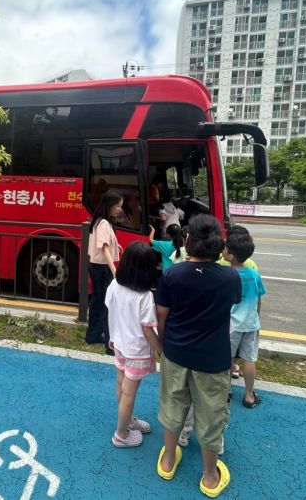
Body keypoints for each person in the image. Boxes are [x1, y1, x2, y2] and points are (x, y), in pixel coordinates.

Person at [155, 214, 241, 498]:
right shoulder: (230, 277)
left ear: (188, 240)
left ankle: (168, 461)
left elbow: (162, 316)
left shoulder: (172, 274)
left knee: (173, 405)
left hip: (176, 353)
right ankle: (209, 477)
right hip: (213, 359)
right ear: (219, 244)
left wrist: (166, 344)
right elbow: (231, 306)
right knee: (210, 415)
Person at [105, 241, 162, 447]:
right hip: (136, 350)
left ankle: (127, 421)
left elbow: (108, 306)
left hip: (119, 343)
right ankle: (121, 434)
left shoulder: (114, 285)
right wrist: (160, 350)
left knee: (121, 384)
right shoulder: (145, 296)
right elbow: (148, 329)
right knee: (129, 392)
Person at [223, 229, 266, 409]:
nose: (222, 250)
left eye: (225, 248)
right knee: (249, 359)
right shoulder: (254, 275)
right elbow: (258, 301)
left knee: (226, 359)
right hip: (251, 323)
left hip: (232, 325)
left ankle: (226, 392)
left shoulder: (226, 276)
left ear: (231, 256)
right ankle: (249, 396)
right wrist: (256, 320)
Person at [85, 189, 124, 355]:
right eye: (117, 206)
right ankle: (110, 344)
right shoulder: (104, 224)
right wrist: (114, 270)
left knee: (97, 301)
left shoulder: (99, 222)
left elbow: (106, 245)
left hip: (96, 266)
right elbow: (105, 249)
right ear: (109, 206)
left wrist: (117, 246)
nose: (119, 209)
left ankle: (92, 335)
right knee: (107, 305)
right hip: (102, 268)